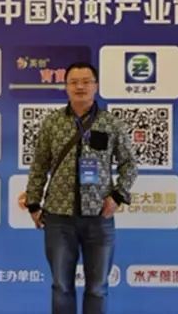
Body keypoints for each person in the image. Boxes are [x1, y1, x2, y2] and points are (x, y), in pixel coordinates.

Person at [25, 62, 138, 314]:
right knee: (61, 286)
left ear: (95, 86)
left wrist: (118, 196)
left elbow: (130, 163)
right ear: (66, 87)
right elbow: (39, 164)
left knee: (97, 287)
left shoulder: (111, 123)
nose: (80, 87)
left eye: (86, 81)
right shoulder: (52, 123)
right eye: (74, 82)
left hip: (99, 217)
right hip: (58, 218)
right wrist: (33, 203)